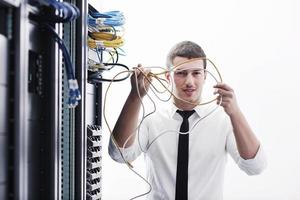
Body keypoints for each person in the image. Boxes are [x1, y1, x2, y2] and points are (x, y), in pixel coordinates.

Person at [108, 41, 267, 200]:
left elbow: (255, 166)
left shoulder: (222, 119)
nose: (189, 82)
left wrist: (235, 113)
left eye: (196, 73)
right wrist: (135, 97)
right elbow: (120, 155)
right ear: (168, 77)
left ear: (205, 75)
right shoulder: (151, 118)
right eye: (181, 73)